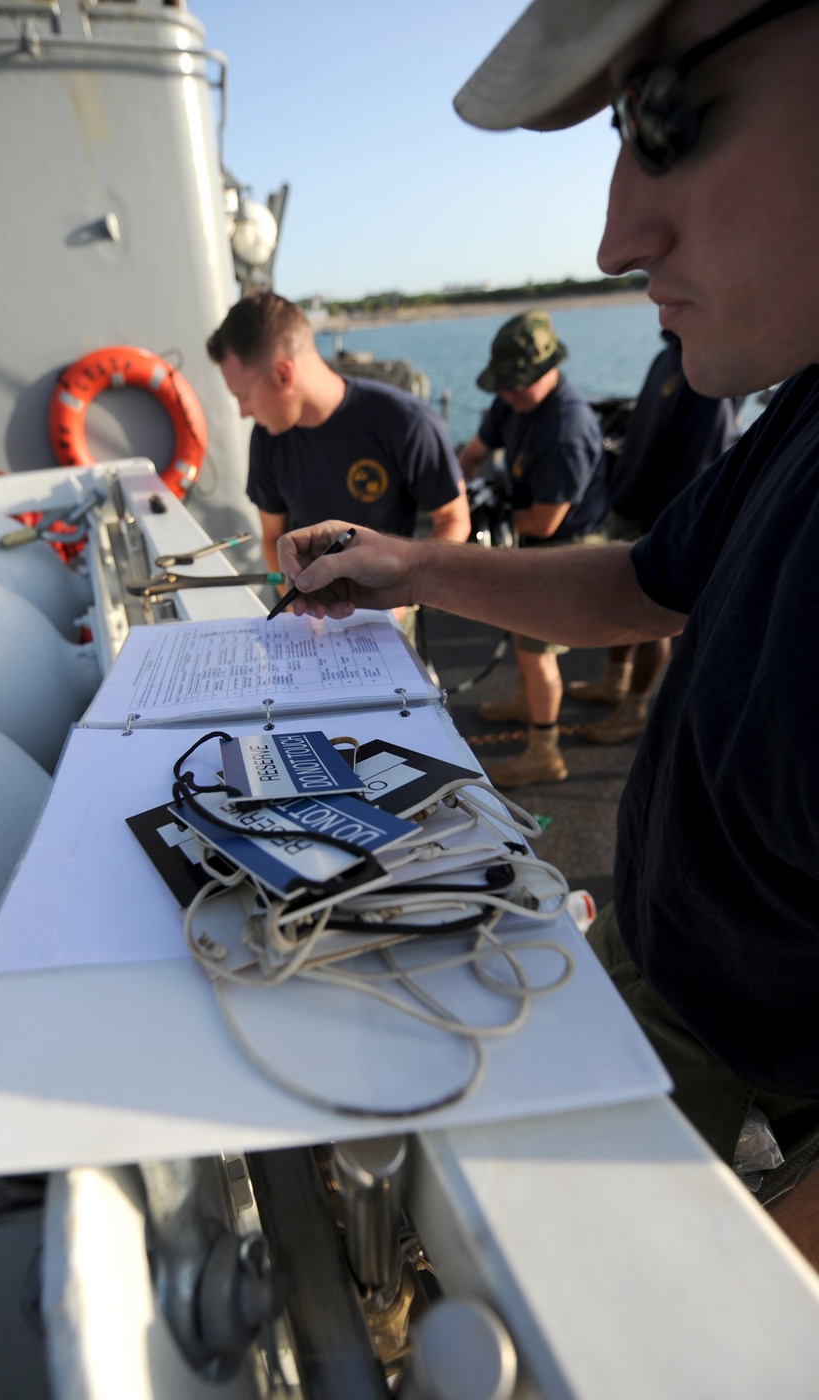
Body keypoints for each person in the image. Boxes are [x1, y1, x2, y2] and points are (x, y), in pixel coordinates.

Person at [276, 0, 819, 1267]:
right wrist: (407, 563)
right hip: (667, 937)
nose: (616, 232)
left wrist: (729, 1304)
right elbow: (639, 579)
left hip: (755, 1031)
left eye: (665, 117)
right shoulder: (800, 412)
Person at [205, 292, 470, 587]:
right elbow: (272, 536)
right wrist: (295, 608)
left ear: (283, 375)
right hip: (311, 615)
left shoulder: (405, 422)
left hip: (390, 612)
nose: (243, 412)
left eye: (244, 397)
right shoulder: (268, 437)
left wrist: (401, 600)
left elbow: (453, 519)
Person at [457, 309, 607, 787]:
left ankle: (545, 751)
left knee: (536, 646)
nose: (506, 393)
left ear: (547, 372)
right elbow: (474, 454)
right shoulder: (512, 400)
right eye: (502, 384)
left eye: (516, 384)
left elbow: (546, 521)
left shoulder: (568, 429)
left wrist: (484, 527)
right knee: (520, 633)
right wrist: (458, 494)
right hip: (526, 535)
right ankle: (526, 701)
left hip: (567, 545)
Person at [570, 330, 742, 742]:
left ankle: (634, 709)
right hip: (632, 503)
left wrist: (674, 526)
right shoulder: (669, 355)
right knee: (620, 599)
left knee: (653, 614)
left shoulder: (712, 369)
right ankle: (615, 682)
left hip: (669, 515)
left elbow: (703, 461)